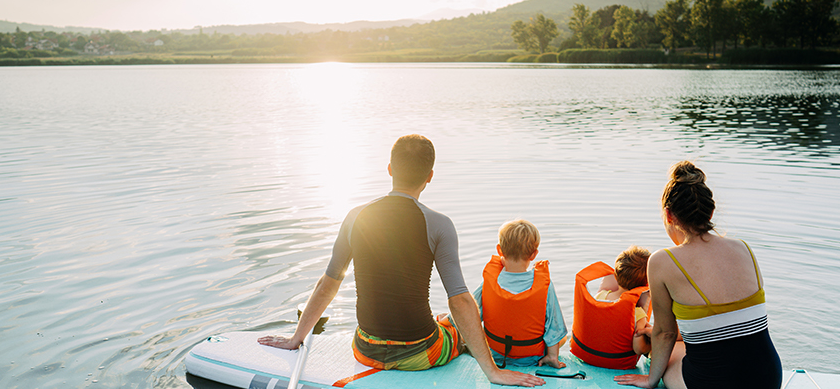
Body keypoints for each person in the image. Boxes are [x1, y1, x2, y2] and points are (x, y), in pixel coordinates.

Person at [258, 134, 544, 387]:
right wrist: (493, 373)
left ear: (390, 170)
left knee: (436, 321)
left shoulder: (355, 216)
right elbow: (459, 300)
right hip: (422, 352)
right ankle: (464, 345)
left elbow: (329, 282)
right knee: (454, 330)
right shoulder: (439, 224)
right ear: (430, 176)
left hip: (365, 350)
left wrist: (296, 339)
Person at [614, 161, 781, 389]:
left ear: (668, 214)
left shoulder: (662, 261)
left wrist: (652, 379)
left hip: (712, 384)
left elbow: (665, 333)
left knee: (668, 350)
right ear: (710, 212)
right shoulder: (744, 248)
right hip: (768, 379)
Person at [472, 219, 567, 369]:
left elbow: (470, 311)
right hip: (531, 357)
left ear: (499, 250)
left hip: (495, 353)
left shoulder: (490, 282)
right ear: (534, 254)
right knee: (563, 338)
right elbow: (554, 326)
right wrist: (553, 357)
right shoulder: (544, 285)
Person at [570, 246, 653, 369]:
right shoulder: (638, 313)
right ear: (646, 284)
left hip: (586, 355)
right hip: (618, 363)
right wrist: (652, 342)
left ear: (616, 275)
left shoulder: (600, 296)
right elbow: (639, 348)